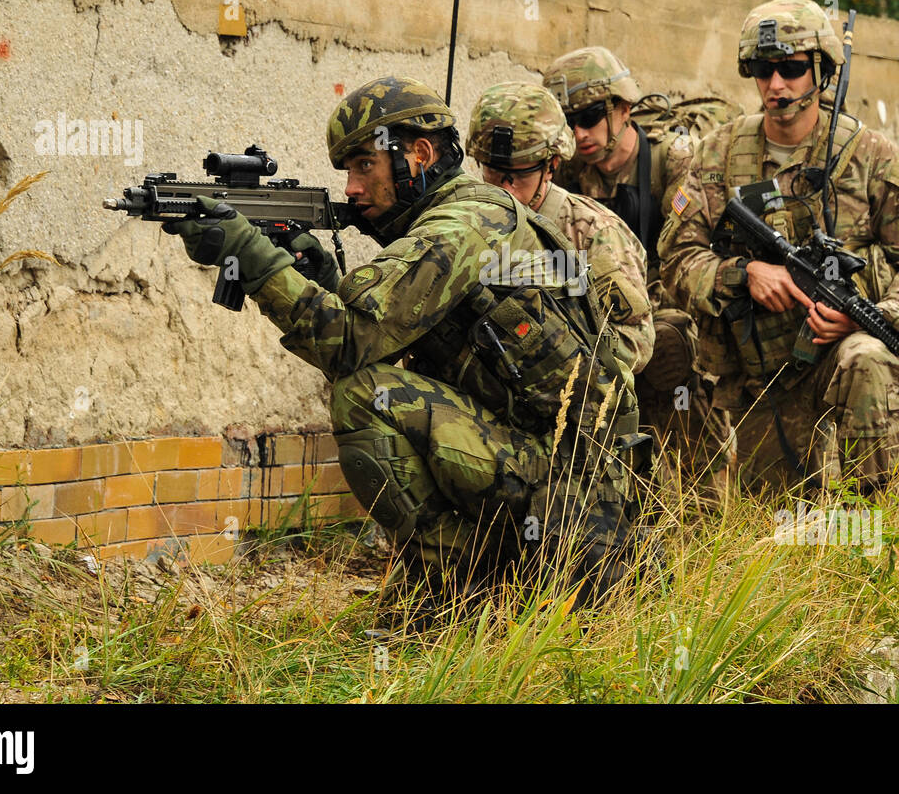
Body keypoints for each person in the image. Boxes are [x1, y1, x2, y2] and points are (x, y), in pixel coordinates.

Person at [162, 76, 644, 595]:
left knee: (366, 397)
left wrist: (254, 260)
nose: (351, 188)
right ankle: (481, 582)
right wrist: (316, 274)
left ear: (418, 153)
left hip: (574, 503)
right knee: (378, 384)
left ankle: (453, 596)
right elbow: (381, 336)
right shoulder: (461, 217)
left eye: (364, 165)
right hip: (550, 470)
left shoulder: (464, 225)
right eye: (349, 171)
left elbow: (348, 344)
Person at [658, 0, 899, 495]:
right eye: (762, 69)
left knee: (869, 359)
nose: (776, 85)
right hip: (762, 374)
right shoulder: (719, 154)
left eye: (792, 69)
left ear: (822, 70)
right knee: (775, 527)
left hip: (840, 351)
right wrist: (741, 275)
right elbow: (678, 259)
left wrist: (874, 316)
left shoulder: (870, 159)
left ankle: (873, 527)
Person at [543, 48, 732, 497]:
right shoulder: (567, 170)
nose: (579, 133)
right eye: (568, 121)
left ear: (623, 110)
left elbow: (688, 255)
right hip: (597, 314)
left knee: (667, 352)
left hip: (671, 308)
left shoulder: (674, 161)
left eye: (590, 116)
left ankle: (703, 506)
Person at [466, 81, 654, 378]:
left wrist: (554, 352)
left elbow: (636, 341)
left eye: (520, 176)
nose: (506, 189)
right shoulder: (468, 222)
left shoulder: (591, 231)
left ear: (551, 165)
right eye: (494, 172)